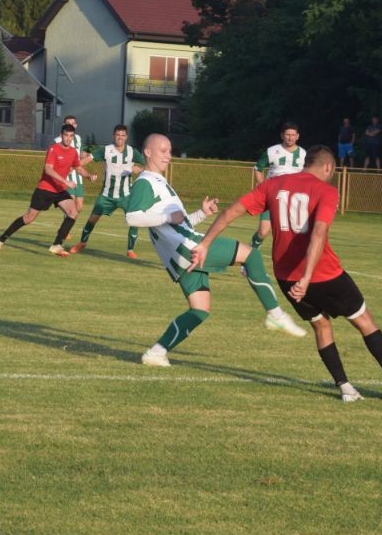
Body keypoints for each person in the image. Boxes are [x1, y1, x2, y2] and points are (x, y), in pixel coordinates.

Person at [191, 144, 382, 403]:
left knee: (321, 326)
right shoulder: (326, 190)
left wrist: (204, 244)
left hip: (286, 277)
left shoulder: (273, 185)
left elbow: (229, 212)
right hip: (324, 274)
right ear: (328, 167)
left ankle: (346, 389)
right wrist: (306, 277)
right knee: (364, 321)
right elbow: (318, 233)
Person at [123, 133, 306, 367]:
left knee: (200, 310)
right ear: (148, 152)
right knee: (251, 255)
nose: (168, 156)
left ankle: (156, 353)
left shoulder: (158, 181)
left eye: (169, 151)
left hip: (181, 254)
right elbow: (132, 217)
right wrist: (168, 216)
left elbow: (179, 224)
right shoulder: (146, 181)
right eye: (163, 151)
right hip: (190, 248)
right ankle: (276, 315)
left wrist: (202, 213)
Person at [0, 123, 94, 257]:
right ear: (61, 135)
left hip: (59, 190)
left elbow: (78, 167)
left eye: (71, 136)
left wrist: (88, 175)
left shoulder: (73, 152)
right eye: (66, 135)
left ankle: (57, 245)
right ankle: (0, 239)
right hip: (45, 189)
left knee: (73, 212)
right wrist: (66, 181)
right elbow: (48, 169)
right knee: (28, 218)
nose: (68, 138)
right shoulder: (53, 149)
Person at [69, 124, 145, 258]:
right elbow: (88, 159)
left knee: (134, 220)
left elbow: (149, 165)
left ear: (126, 137)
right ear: (113, 136)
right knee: (92, 219)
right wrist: (73, 166)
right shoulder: (106, 150)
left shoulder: (132, 152)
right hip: (107, 195)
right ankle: (82, 243)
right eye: (117, 135)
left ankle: (130, 250)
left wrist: (140, 169)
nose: (120, 138)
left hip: (126, 195)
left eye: (122, 135)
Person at [250, 122, 306, 249]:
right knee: (263, 231)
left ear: (298, 136)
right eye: (287, 135)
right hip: (272, 196)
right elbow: (258, 168)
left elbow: (308, 175)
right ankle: (251, 251)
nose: (290, 138)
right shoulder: (272, 151)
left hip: (293, 198)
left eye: (293, 135)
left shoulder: (304, 154)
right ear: (282, 135)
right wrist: (263, 186)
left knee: (294, 233)